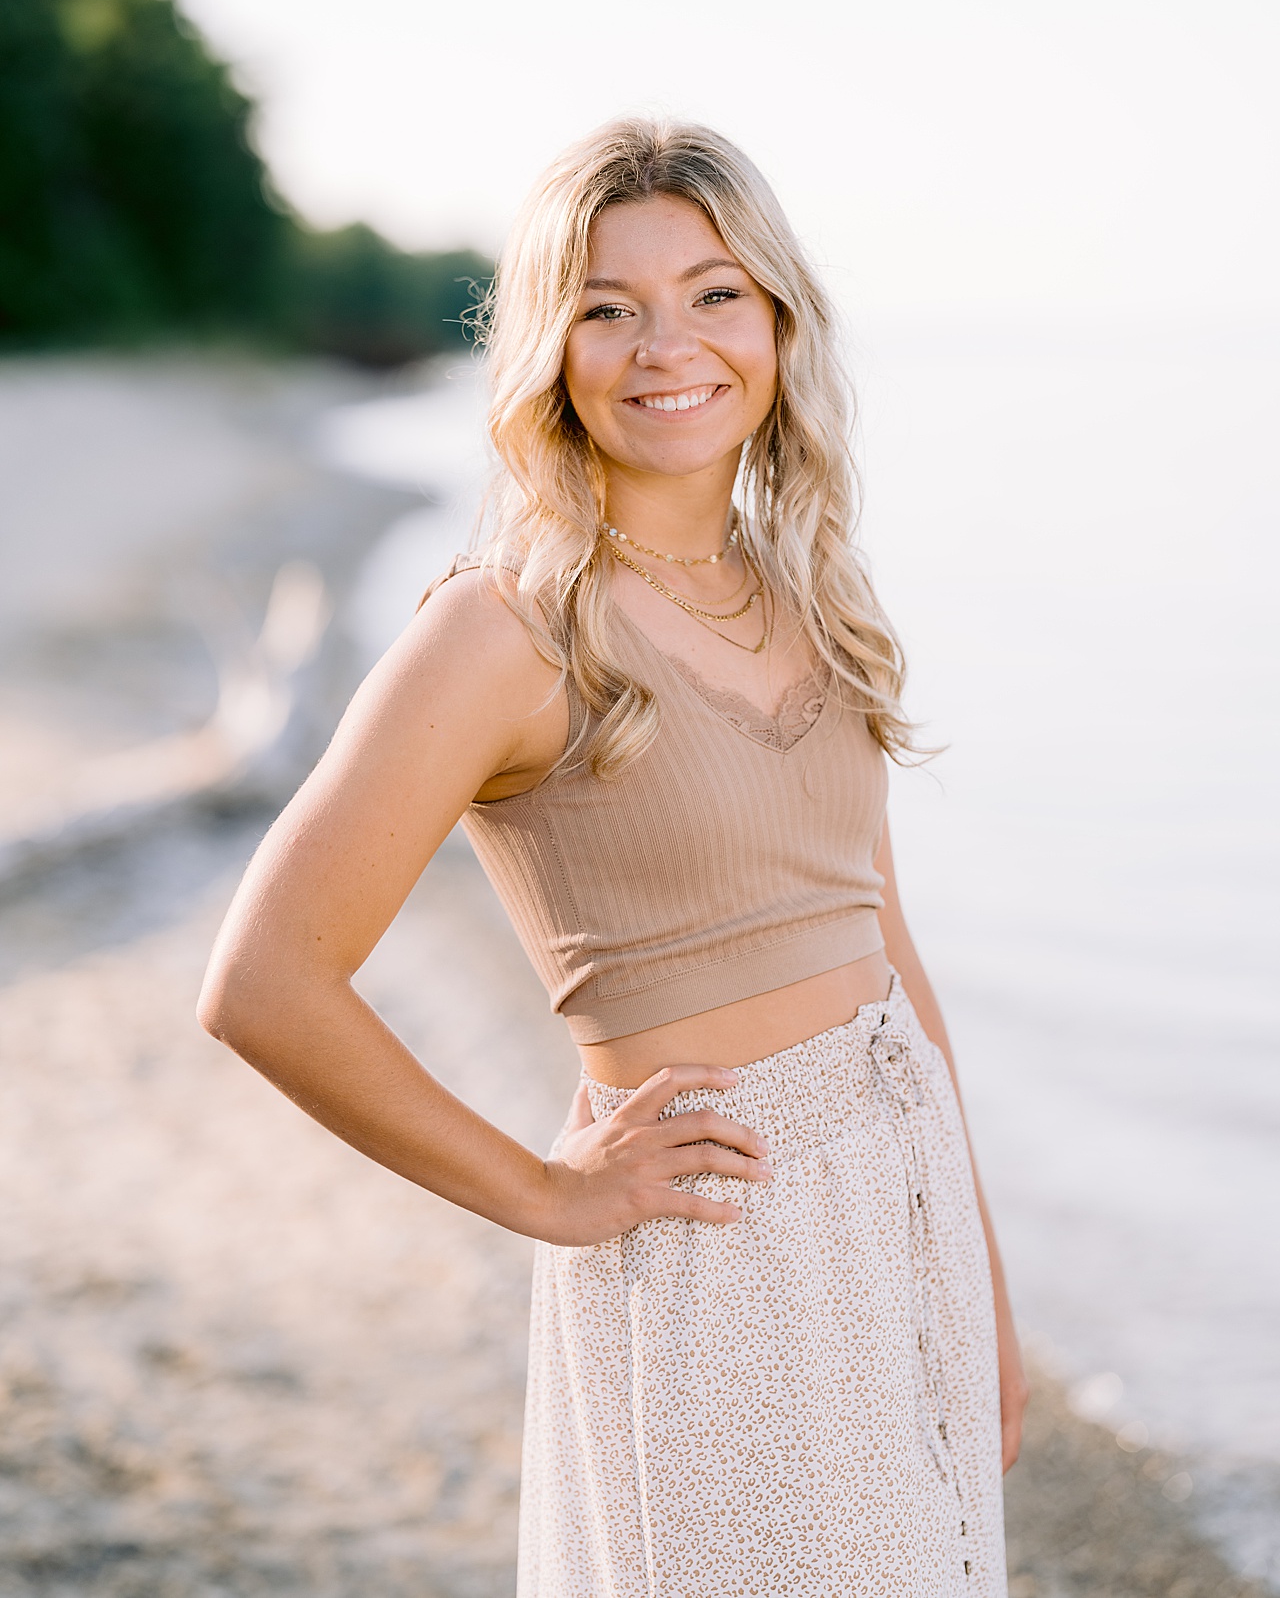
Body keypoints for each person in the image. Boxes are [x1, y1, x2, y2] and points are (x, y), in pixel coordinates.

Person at [199, 118, 1027, 1597]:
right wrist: (547, 1190)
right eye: (606, 305)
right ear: (549, 346)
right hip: (719, 1255)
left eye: (714, 293)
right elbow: (265, 982)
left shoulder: (805, 591)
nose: (669, 345)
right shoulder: (500, 629)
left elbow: (884, 943)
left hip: (898, 1230)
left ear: (776, 322)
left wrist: (985, 1285)